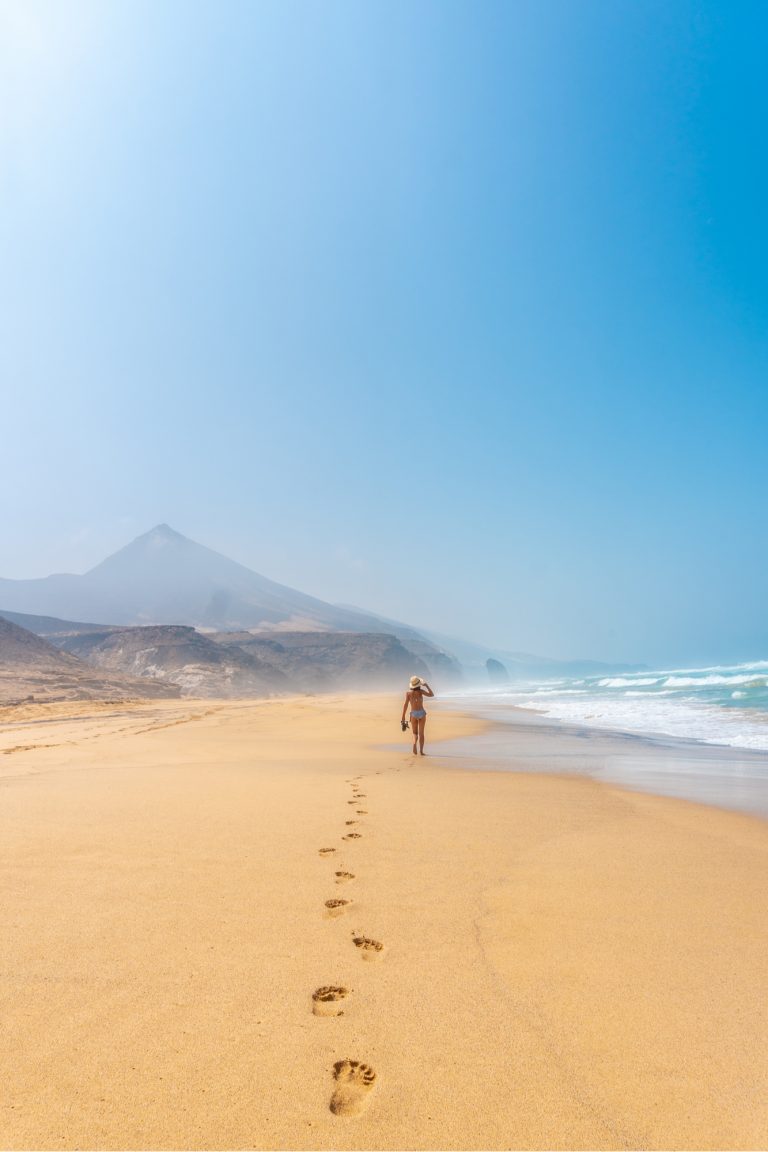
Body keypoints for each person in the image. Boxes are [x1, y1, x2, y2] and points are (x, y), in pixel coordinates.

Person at [401, 675, 434, 755]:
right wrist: (426, 685)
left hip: (413, 714)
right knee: (421, 734)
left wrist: (403, 716)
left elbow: (405, 705)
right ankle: (421, 751)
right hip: (422, 713)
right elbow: (431, 694)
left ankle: (414, 743)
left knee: (415, 733)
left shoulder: (408, 693)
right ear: (419, 684)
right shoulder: (421, 692)